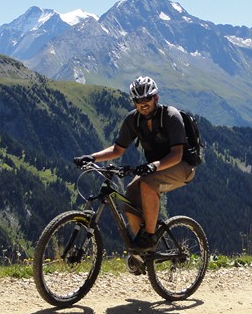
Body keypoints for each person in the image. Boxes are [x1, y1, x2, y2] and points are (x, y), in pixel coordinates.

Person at [74, 76, 196, 252]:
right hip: (155, 168)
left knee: (148, 184)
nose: (143, 103)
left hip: (182, 167)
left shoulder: (170, 116)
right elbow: (118, 149)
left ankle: (149, 235)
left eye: (147, 98)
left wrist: (153, 166)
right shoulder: (133, 120)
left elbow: (177, 155)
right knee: (129, 198)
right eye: (138, 100)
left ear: (156, 98)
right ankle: (145, 251)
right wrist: (92, 158)